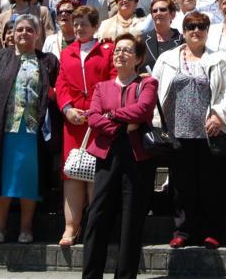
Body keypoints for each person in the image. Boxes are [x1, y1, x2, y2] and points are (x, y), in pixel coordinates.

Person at [152, 12, 226, 249]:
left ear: (207, 31)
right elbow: (154, 89)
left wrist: (219, 114)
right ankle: (182, 231)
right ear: (184, 30)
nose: (195, 30)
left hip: (209, 132)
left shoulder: (218, 59)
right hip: (177, 131)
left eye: (201, 26)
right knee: (181, 185)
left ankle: (212, 231)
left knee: (211, 184)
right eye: (190, 26)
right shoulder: (167, 58)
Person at [0, 14, 60, 244]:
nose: (23, 33)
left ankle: (26, 227)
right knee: (1, 177)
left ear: (37, 34)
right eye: (19, 29)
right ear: (11, 34)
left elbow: (55, 93)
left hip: (32, 130)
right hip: (2, 128)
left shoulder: (48, 61)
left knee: (28, 181)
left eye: (29, 30)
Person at [82, 34, 159, 278]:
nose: (119, 54)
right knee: (97, 215)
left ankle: (125, 275)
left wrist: (112, 115)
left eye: (126, 50)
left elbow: (144, 109)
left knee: (131, 219)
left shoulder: (147, 84)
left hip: (137, 158)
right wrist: (124, 126)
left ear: (137, 58)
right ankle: (91, 274)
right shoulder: (101, 87)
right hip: (107, 155)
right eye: (117, 50)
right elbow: (93, 116)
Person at [55, 6, 116, 246]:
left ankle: (95, 228)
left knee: (94, 175)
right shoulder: (67, 52)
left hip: (98, 122)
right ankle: (71, 228)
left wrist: (96, 111)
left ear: (95, 26)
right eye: (76, 23)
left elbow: (112, 81)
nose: (79, 28)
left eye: (84, 24)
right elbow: (61, 84)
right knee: (71, 174)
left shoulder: (107, 50)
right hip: (73, 121)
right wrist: (67, 109)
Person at [142, 0, 184, 73]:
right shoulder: (142, 40)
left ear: (173, 14)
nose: (158, 13)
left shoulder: (182, 40)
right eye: (154, 11)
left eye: (163, 10)